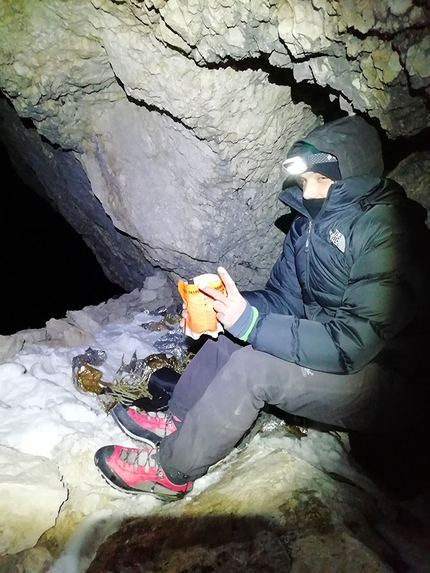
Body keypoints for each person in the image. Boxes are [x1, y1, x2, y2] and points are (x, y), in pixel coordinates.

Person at [94, 115, 430, 499]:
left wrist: (252, 324)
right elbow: (283, 300)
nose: (309, 192)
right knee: (229, 338)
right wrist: (225, 310)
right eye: (305, 182)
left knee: (254, 367)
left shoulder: (389, 231)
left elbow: (353, 342)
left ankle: (171, 471)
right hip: (340, 356)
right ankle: (178, 421)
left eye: (321, 180)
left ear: (353, 177)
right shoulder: (306, 227)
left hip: (392, 379)